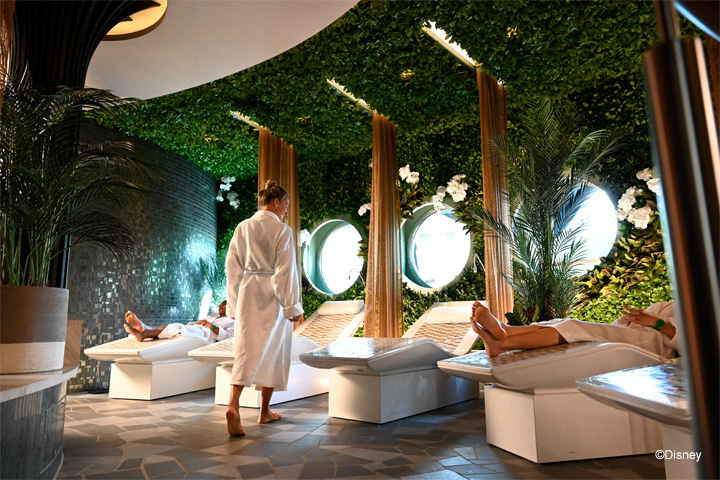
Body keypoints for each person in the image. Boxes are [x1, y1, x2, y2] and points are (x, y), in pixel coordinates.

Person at [225, 179, 303, 437]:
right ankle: (263, 410)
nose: (286, 211)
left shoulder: (243, 227)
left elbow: (232, 268)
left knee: (246, 350)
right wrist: (291, 306)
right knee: (275, 350)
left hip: (248, 292)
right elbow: (285, 271)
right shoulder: (281, 230)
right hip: (273, 297)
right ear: (276, 202)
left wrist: (234, 304)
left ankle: (236, 405)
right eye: (286, 205)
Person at [471, 301, 679, 359]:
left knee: (572, 327)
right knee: (563, 321)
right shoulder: (675, 303)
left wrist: (656, 323)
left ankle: (504, 342)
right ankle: (506, 332)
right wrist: (630, 319)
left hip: (650, 344)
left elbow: (688, 344)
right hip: (633, 332)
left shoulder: (693, 310)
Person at [123, 300, 234, 343]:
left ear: (232, 307)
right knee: (167, 326)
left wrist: (211, 326)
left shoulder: (233, 321)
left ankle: (144, 330)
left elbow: (228, 337)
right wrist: (200, 323)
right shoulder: (213, 317)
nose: (220, 307)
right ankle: (143, 331)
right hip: (198, 329)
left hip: (205, 337)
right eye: (220, 305)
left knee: (177, 327)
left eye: (223, 305)